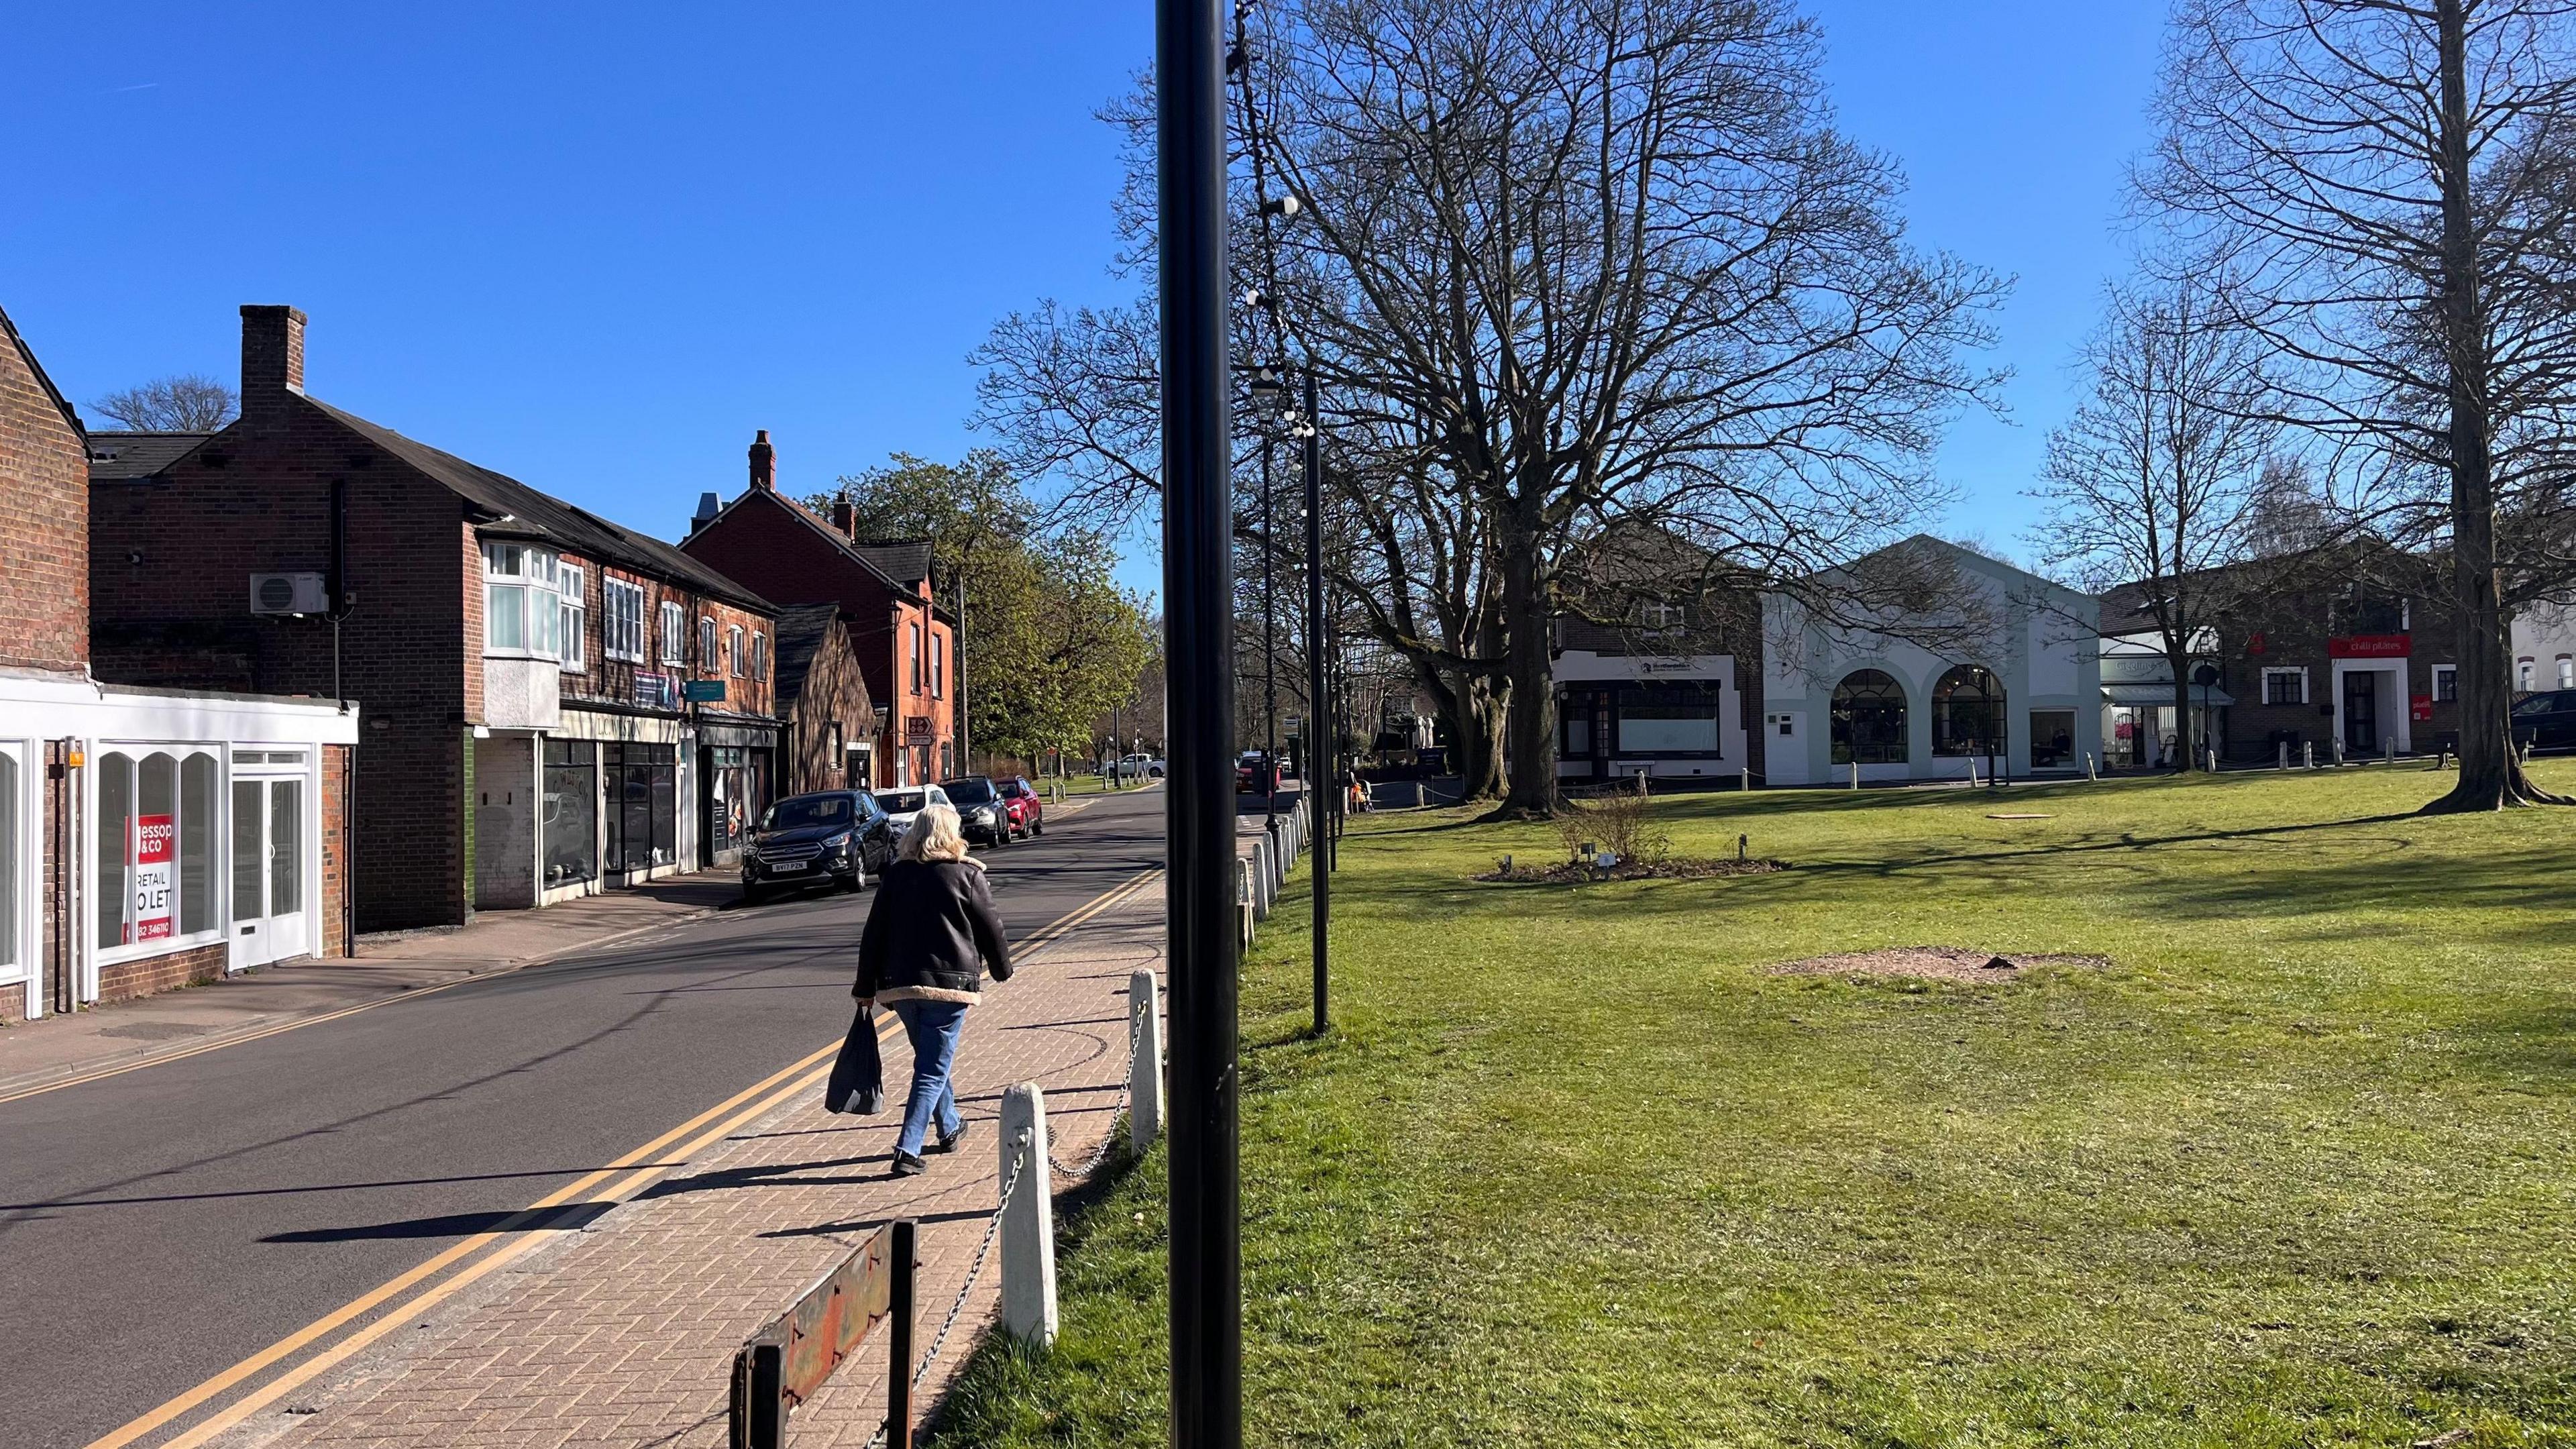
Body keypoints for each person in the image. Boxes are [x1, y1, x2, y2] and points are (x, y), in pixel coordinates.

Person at [854, 803, 1013, 1177]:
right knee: (931, 1068)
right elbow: (992, 927)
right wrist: (1002, 969)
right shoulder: (967, 875)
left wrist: (865, 987)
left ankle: (950, 1126)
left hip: (902, 988)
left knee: (930, 1062)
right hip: (948, 987)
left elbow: (873, 934)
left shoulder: (894, 877)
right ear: (952, 833)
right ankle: (908, 1148)